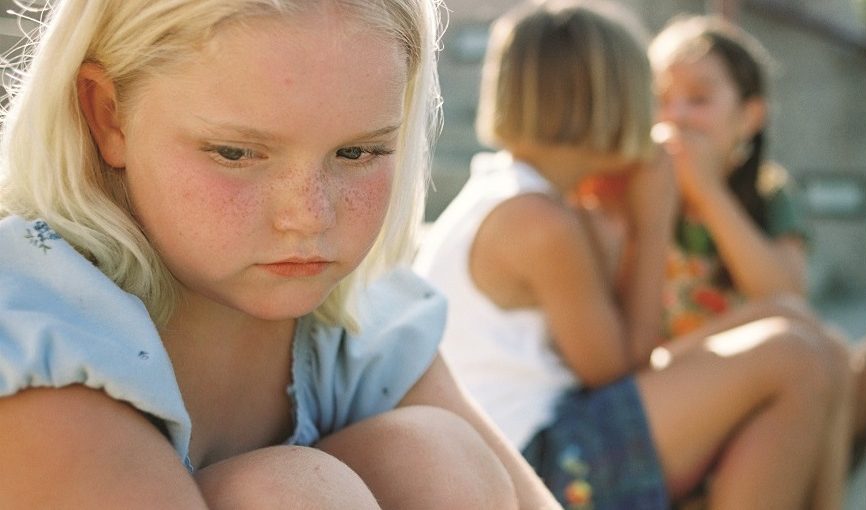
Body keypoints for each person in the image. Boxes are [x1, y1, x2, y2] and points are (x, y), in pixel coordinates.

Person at [0, 1, 563, 508]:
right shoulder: (35, 332)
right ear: (107, 115)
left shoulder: (357, 325)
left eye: (358, 151)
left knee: (441, 460)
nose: (310, 215)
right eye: (236, 152)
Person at [414, 1, 854, 508]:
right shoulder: (538, 222)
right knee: (794, 359)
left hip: (543, 438)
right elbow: (620, 369)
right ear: (604, 105)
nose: (657, 118)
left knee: (792, 322)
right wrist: (652, 222)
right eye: (649, 97)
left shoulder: (523, 193)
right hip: (530, 465)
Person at [648, 15, 866, 510]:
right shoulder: (638, 196)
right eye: (662, 99)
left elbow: (783, 294)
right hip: (701, 406)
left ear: (749, 118)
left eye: (698, 98)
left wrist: (709, 193)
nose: (677, 116)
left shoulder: (768, 193)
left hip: (791, 388)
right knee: (810, 354)